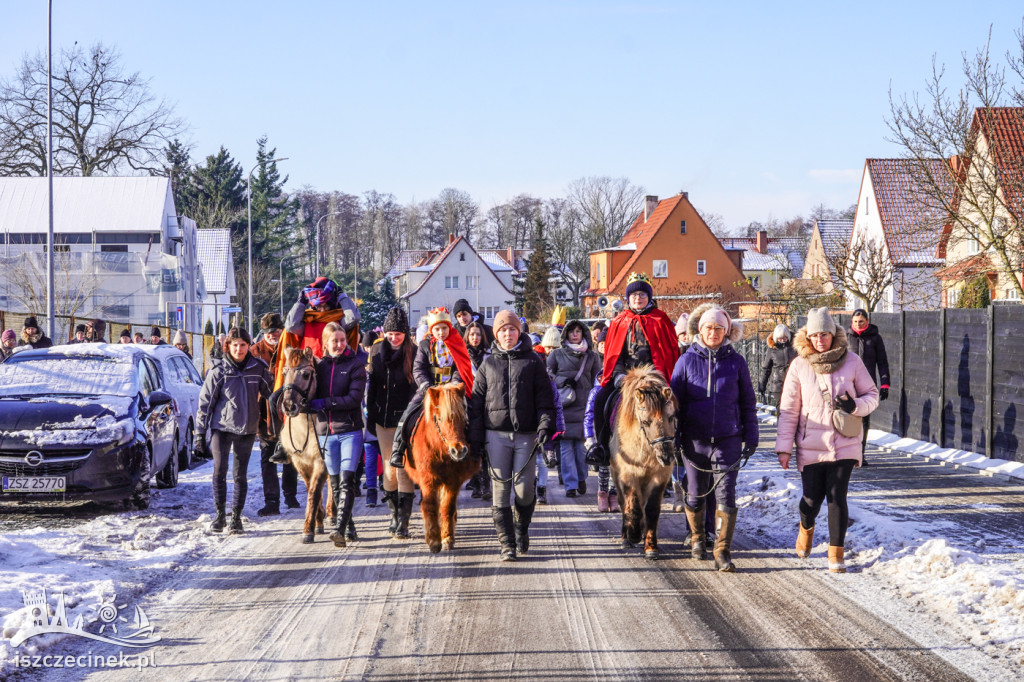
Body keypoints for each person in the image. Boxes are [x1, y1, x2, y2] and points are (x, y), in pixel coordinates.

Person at [775, 308, 880, 573]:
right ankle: (806, 526)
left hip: (845, 441)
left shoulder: (852, 361)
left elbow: (872, 395)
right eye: (815, 335)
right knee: (811, 500)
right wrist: (784, 448)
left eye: (824, 334)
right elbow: (789, 410)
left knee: (837, 497)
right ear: (807, 337)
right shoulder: (799, 365)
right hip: (811, 443)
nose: (820, 339)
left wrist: (855, 406)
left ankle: (836, 554)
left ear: (833, 334)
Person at [671, 303, 758, 573]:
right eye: (709, 327)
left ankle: (722, 551)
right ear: (700, 330)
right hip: (694, 440)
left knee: (726, 495)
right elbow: (673, 405)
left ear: (727, 331)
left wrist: (751, 436)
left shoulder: (736, 362)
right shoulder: (686, 360)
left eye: (719, 328)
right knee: (695, 494)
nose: (714, 332)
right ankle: (697, 538)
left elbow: (748, 401)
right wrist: (675, 437)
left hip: (728, 438)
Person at [469, 311, 556, 561]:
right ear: (496, 334)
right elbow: (476, 405)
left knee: (524, 490)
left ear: (519, 332)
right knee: (500, 490)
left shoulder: (533, 362)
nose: (508, 334)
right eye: (503, 330)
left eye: (512, 330)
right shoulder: (488, 364)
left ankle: (521, 528)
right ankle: (506, 543)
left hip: (526, 435)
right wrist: (476, 439)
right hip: (495, 435)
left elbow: (545, 400)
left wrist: (544, 426)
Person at [584, 272, 680, 465]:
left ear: (649, 297)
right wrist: (619, 375)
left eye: (642, 294)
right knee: (601, 399)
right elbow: (614, 354)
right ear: (628, 297)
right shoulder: (619, 321)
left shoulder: (661, 320)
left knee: (675, 403)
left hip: (654, 377)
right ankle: (602, 448)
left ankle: (678, 445)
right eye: (634, 294)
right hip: (626, 377)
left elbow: (666, 354)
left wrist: (656, 378)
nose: (638, 298)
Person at [194, 327, 274, 534]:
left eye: (243, 345)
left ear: (249, 346)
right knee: (219, 471)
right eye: (235, 345)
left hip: (247, 429)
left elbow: (272, 393)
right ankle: (220, 515)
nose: (239, 349)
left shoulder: (258, 368)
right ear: (228, 346)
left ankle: (236, 518)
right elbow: (205, 403)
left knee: (240, 475)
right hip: (221, 428)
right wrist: (200, 434)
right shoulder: (219, 371)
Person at [388, 306, 474, 468]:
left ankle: (475, 449)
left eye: (444, 328)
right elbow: (418, 369)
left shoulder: (458, 343)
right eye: (437, 329)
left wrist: (454, 384)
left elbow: (460, 367)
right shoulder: (425, 345)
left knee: (472, 412)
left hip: (452, 391)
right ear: (431, 329)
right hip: (430, 390)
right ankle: (398, 449)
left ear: (449, 328)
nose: (441, 332)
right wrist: (427, 386)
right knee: (408, 413)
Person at [310, 322, 367, 548]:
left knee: (346, 481)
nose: (340, 344)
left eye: (342, 340)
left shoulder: (356, 365)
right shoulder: (319, 367)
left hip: (349, 430)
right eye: (335, 341)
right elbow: (308, 392)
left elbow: (354, 399)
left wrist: (324, 403)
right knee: (334, 483)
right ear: (325, 343)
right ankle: (349, 525)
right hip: (326, 432)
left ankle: (340, 530)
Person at [366, 307, 419, 538]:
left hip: (406, 420)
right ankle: (394, 515)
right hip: (383, 419)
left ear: (405, 334)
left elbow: (416, 389)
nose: (394, 338)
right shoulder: (377, 351)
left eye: (398, 334)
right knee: (389, 470)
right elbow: (372, 386)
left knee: (404, 470)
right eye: (390, 333)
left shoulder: (414, 352)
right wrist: (371, 414)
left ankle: (404, 521)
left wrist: (410, 416)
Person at [250, 313, 299, 515]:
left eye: (276, 331)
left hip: (288, 413)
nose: (272, 335)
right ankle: (271, 501)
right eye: (268, 332)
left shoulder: (290, 349)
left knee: (290, 455)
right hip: (264, 415)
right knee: (267, 457)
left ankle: (290, 495)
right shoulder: (255, 351)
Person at [547, 319, 600, 499]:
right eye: (572, 331)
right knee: (565, 449)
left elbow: (597, 381)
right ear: (566, 334)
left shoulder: (592, 356)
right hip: (563, 406)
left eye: (578, 331)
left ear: (583, 333)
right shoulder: (556, 355)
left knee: (580, 448)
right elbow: (547, 375)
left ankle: (581, 478)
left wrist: (595, 404)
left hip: (584, 407)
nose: (575, 334)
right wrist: (563, 381)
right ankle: (570, 485)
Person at [847, 309, 890, 466]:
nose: (858, 324)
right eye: (855, 321)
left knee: (864, 420)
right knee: (849, 419)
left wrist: (885, 383)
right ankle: (848, 453)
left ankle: (860, 453)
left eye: (861, 321)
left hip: (867, 385)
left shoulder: (875, 338)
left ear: (867, 321)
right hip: (849, 385)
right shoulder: (845, 338)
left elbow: (882, 362)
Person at [463, 320, 492, 501]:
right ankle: (475, 482)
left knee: (485, 445)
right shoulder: (462, 355)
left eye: (478, 334)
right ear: (467, 336)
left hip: (486, 403)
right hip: (468, 402)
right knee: (472, 444)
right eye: (472, 334)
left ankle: (486, 483)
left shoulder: (490, 355)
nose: (475, 337)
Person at [758, 324, 797, 412]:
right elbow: (766, 368)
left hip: (793, 382)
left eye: (785, 337)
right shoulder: (772, 349)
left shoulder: (795, 347)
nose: (782, 340)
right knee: (781, 408)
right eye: (780, 338)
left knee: (793, 408)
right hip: (778, 384)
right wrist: (762, 385)